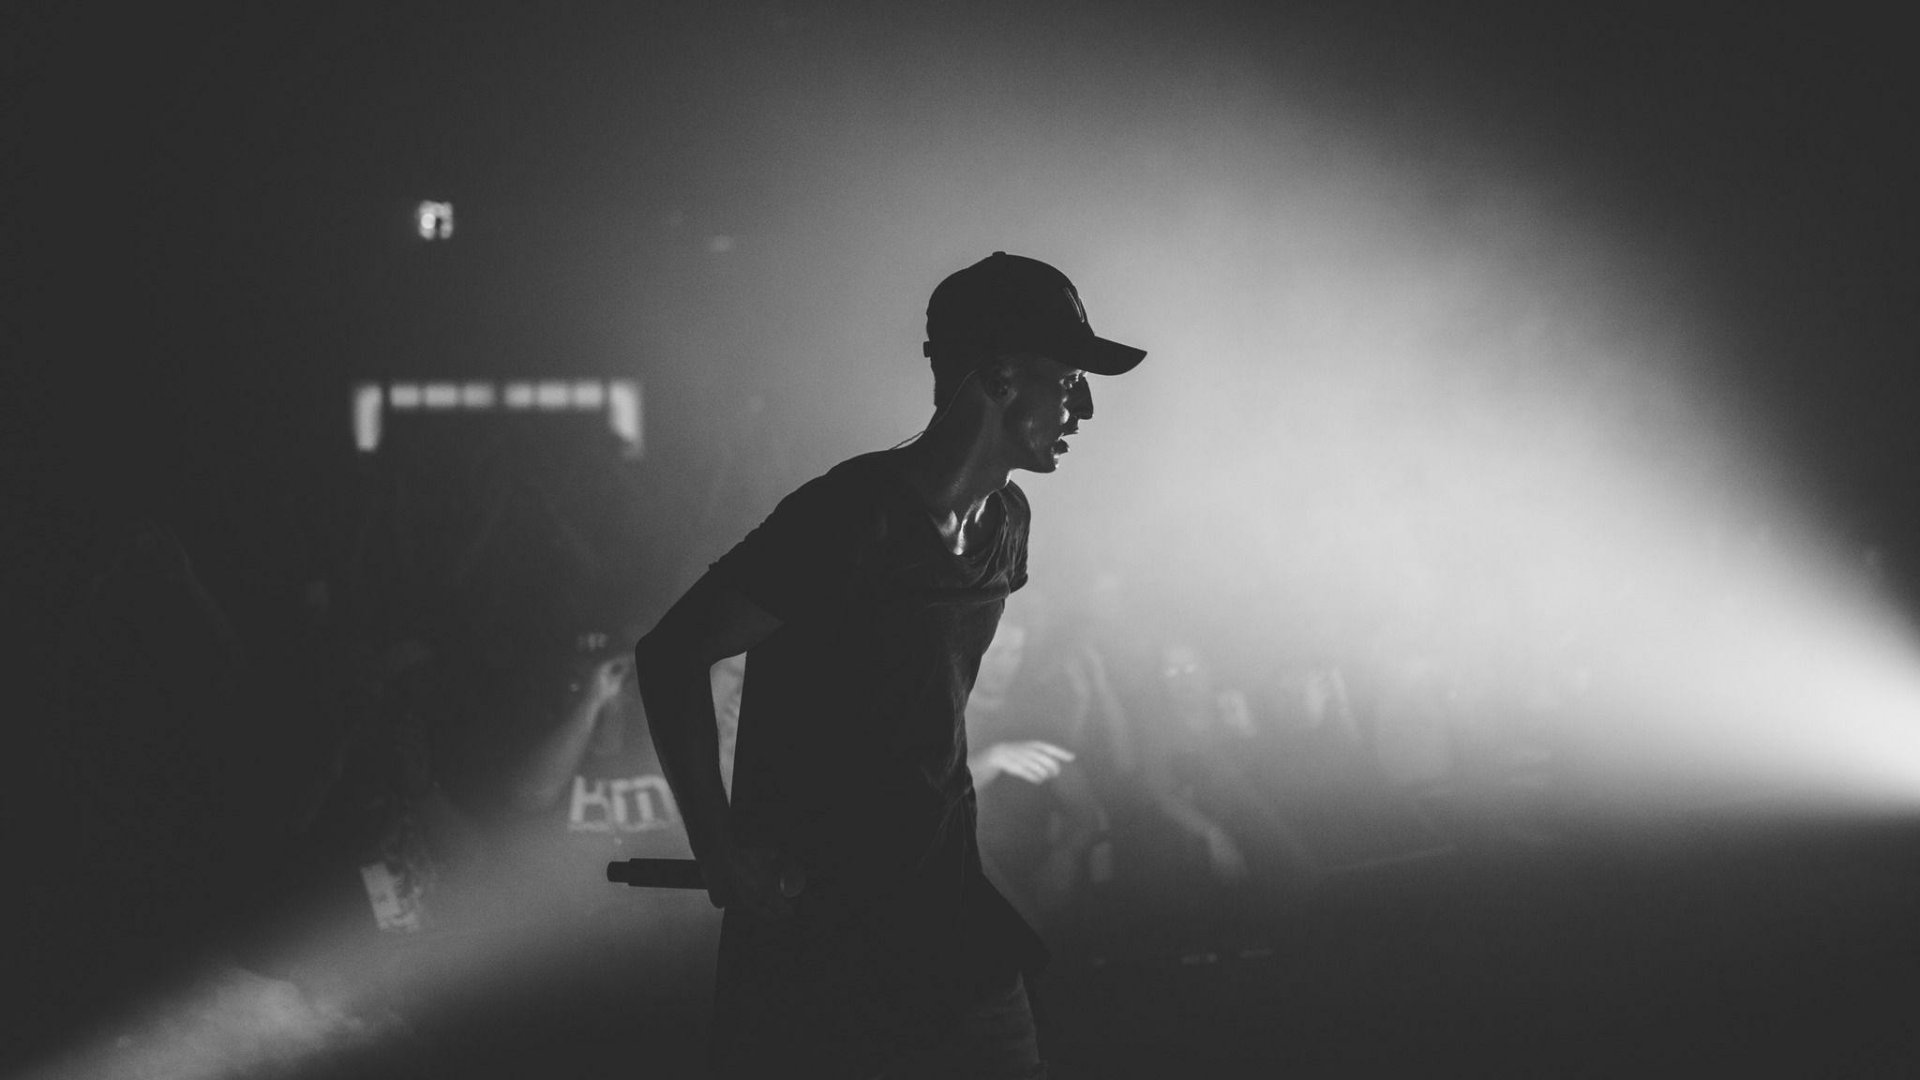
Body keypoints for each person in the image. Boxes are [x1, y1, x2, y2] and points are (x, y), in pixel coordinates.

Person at [633, 251, 1144, 1078]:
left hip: (944, 900)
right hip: (822, 924)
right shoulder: (850, 519)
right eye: (1070, 380)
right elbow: (671, 655)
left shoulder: (1007, 523)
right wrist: (720, 850)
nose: (1083, 405)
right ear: (1001, 377)